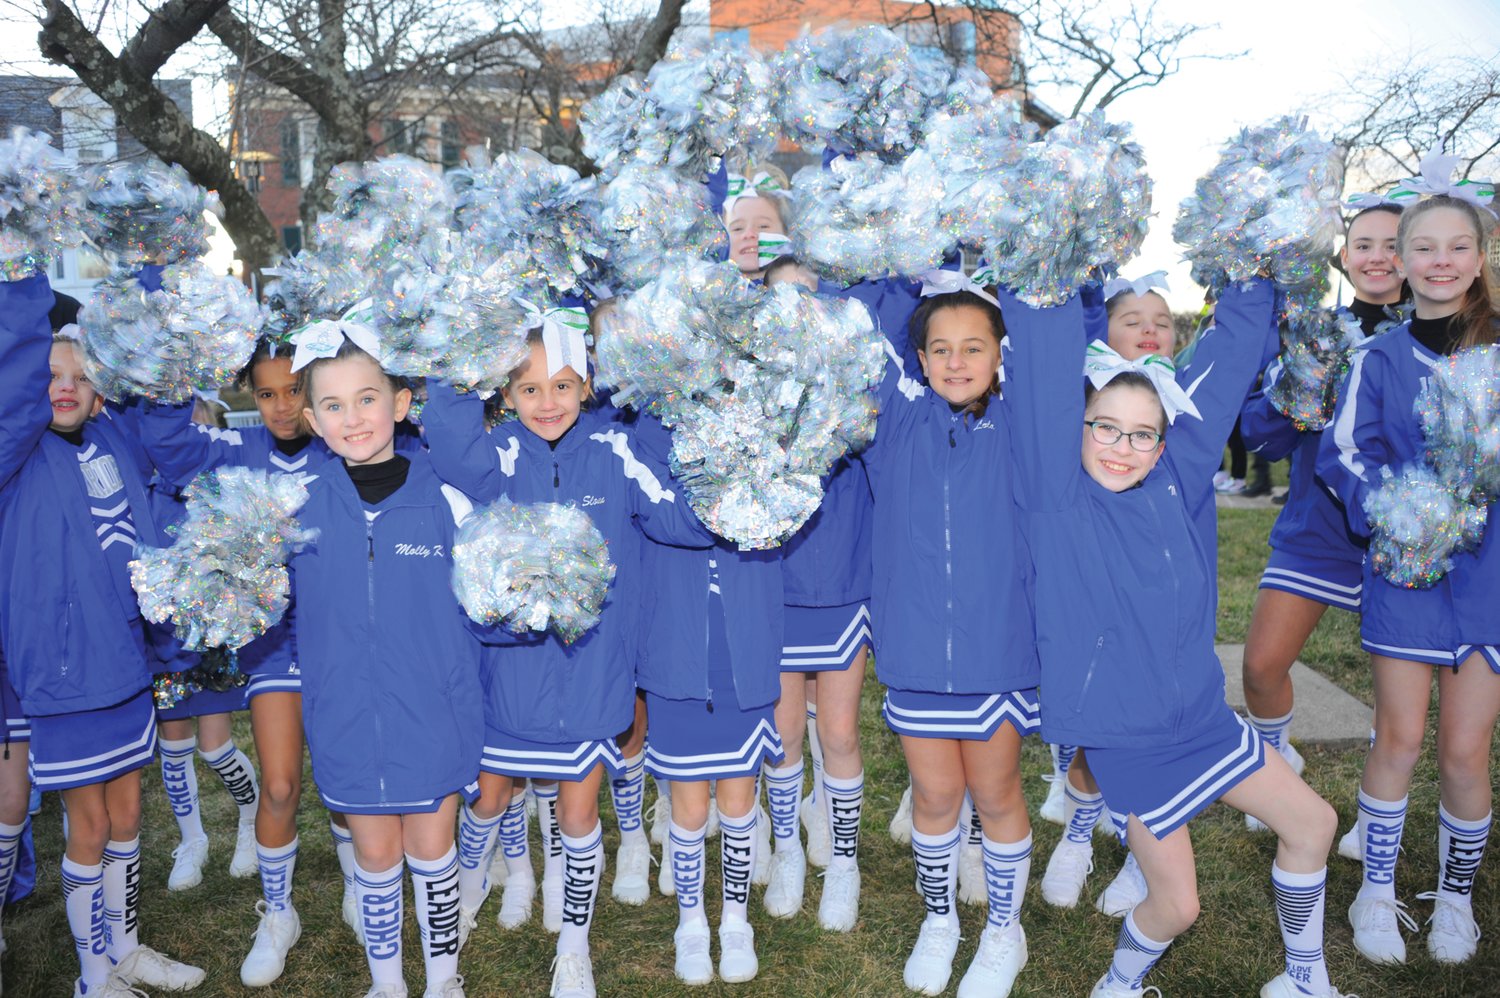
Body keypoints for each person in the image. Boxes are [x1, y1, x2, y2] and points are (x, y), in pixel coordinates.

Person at [1003, 277, 1349, 998]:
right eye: (1104, 427)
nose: (1121, 448)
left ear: (1166, 445)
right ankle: (1118, 984)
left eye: (1141, 434)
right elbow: (1040, 371)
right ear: (1076, 424)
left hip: (1201, 717)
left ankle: (1305, 980)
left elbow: (1220, 379)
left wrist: (1255, 273)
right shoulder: (1057, 498)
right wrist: (1042, 268)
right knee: (1178, 905)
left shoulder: (1173, 481)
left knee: (1314, 823)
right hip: (1129, 736)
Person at [422, 329, 712, 998]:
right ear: (506, 393)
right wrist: (461, 351)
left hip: (591, 676)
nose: (546, 402)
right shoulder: (494, 456)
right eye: (528, 388)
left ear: (587, 385)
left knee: (580, 817)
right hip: (508, 678)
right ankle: (462, 905)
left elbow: (683, 519)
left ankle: (575, 949)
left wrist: (677, 418)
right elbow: (449, 441)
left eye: (561, 385)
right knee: (489, 800)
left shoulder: (616, 453)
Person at [139, 337, 369, 984]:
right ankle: (278, 914)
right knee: (279, 785)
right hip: (273, 644)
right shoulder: (237, 452)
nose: (281, 406)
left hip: (344, 638)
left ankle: (361, 886)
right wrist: (182, 359)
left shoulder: (347, 443)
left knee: (345, 779)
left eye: (294, 389)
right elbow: (168, 445)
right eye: (265, 393)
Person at [0, 274, 204, 996]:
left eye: (82, 376)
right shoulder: (16, 458)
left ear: (101, 391)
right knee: (86, 824)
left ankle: (126, 947)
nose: (65, 385)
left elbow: (151, 390)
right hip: (61, 678)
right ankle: (94, 977)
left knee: (126, 815)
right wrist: (22, 279)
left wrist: (151, 282)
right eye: (51, 374)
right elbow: (14, 392)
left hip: (124, 667)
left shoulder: (114, 442)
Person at [1317, 192, 1500, 967]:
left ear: (1480, 258)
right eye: (1423, 248)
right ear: (1402, 257)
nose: (1440, 263)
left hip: (1488, 576)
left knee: (1466, 752)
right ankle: (1376, 888)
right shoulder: (1378, 358)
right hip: (1407, 573)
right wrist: (1398, 509)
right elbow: (1344, 455)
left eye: (1459, 248)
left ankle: (1455, 898)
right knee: (1399, 736)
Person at [289, 330, 501, 998]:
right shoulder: (292, 510)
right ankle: (389, 984)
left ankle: (442, 980)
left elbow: (497, 593)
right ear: (313, 422)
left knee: (432, 853)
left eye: (368, 398)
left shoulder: (448, 497)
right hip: (346, 721)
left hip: (433, 718)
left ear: (402, 402)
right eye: (333, 405)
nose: (353, 418)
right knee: (374, 857)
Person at [865, 279, 1038, 998]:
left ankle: (1004, 930)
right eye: (940, 348)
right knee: (934, 797)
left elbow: (1047, 330)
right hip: (912, 655)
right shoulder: (893, 421)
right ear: (919, 358)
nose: (957, 361)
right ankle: (940, 919)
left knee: (995, 794)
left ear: (1002, 353)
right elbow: (865, 324)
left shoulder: (1026, 424)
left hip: (997, 654)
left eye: (974, 347)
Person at [1240, 204, 1405, 844]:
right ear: (1343, 257)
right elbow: (1261, 435)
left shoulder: (1438, 335)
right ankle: (1275, 761)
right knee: (1259, 666)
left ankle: (1375, 809)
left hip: (1405, 538)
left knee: (1399, 700)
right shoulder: (1317, 331)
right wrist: (1302, 387)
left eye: (1393, 244)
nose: (1378, 257)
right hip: (1318, 526)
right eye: (1362, 244)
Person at [759, 261, 872, 930]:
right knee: (782, 732)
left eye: (810, 296)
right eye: (781, 299)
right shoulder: (746, 394)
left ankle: (844, 861)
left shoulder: (855, 389)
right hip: (773, 588)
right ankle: (787, 847)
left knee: (837, 729)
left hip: (841, 586)